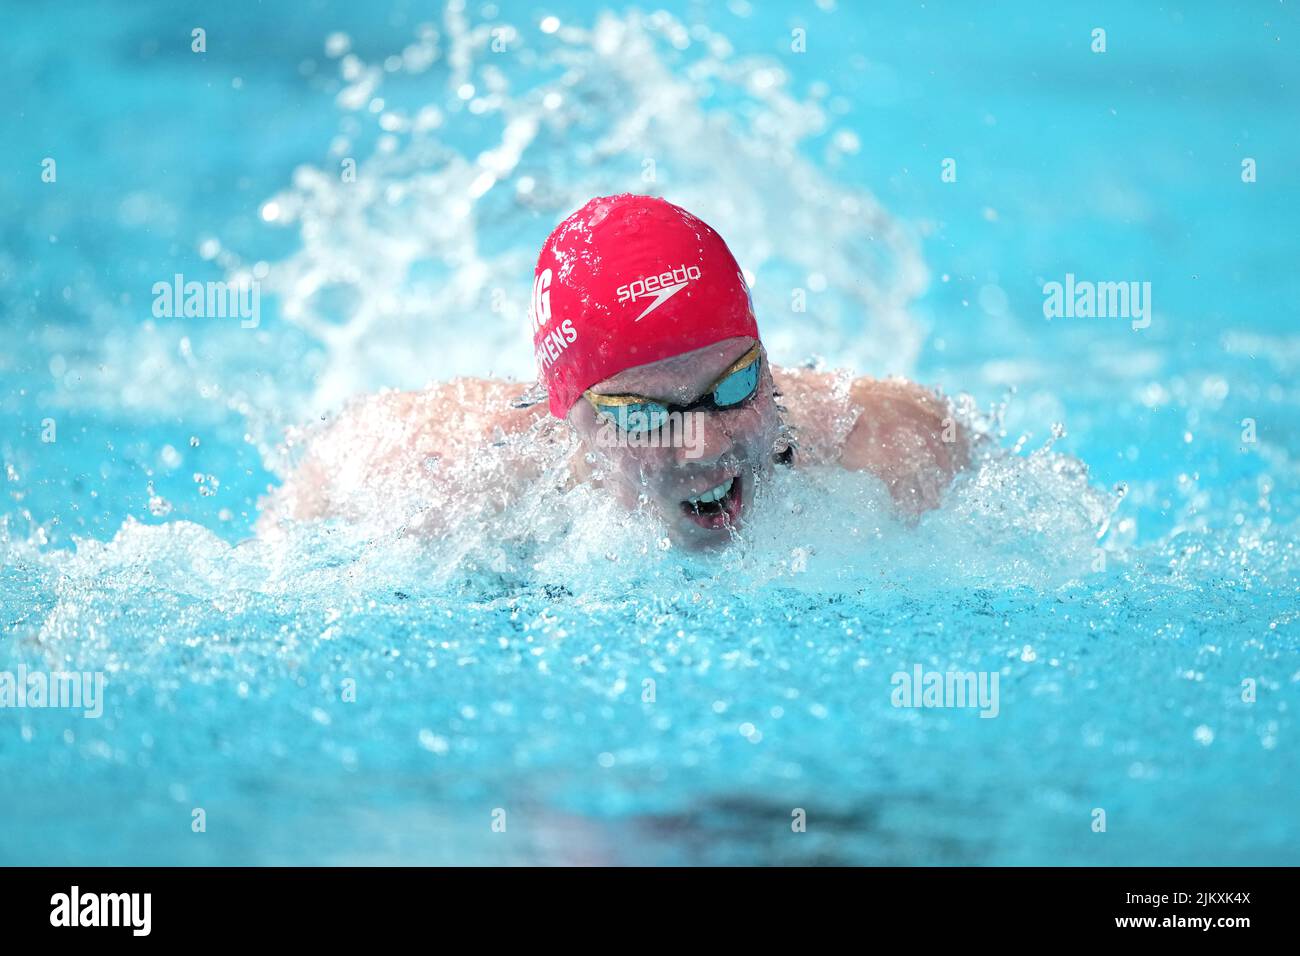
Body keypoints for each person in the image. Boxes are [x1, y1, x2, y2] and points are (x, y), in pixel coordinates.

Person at [258, 194, 969, 549]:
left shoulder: (892, 452)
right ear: (567, 413)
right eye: (643, 414)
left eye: (733, 388)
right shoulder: (444, 480)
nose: (704, 445)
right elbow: (319, 490)